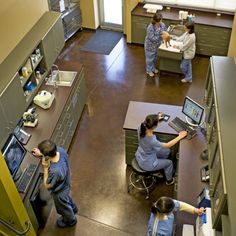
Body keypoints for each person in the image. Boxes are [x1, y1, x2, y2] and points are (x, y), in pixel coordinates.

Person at [32, 140, 78, 228]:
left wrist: (45, 168)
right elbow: (51, 154)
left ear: (47, 156)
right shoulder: (60, 150)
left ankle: (70, 220)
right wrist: (42, 154)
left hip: (60, 192)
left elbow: (47, 185)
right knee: (67, 200)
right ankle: (73, 208)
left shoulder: (55, 171)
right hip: (66, 183)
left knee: (63, 207)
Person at [135, 114, 187, 185]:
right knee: (169, 163)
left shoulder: (141, 127)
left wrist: (156, 118)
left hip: (140, 155)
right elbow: (167, 145)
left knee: (167, 152)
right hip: (147, 164)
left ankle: (160, 167)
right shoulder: (152, 140)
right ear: (154, 126)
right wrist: (180, 136)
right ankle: (169, 180)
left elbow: (148, 121)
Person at [144, 13, 167, 77]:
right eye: (158, 21)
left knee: (155, 58)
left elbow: (165, 30)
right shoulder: (150, 27)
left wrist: (165, 34)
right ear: (155, 21)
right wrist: (161, 37)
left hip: (157, 45)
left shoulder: (162, 25)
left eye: (160, 20)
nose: (160, 22)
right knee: (150, 58)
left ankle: (153, 68)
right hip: (150, 45)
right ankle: (149, 70)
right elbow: (152, 38)